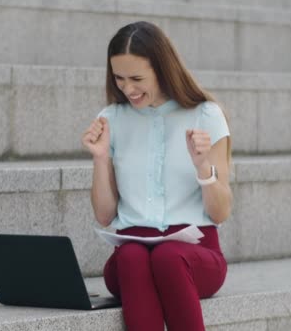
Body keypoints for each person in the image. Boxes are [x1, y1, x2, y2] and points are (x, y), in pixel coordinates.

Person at [81, 21, 233, 331]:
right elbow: (104, 215)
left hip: (195, 257)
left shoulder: (206, 115)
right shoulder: (111, 119)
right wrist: (99, 160)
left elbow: (220, 211)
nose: (128, 89)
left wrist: (202, 166)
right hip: (131, 256)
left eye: (137, 78)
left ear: (163, 69)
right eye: (119, 78)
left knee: (167, 257)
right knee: (132, 257)